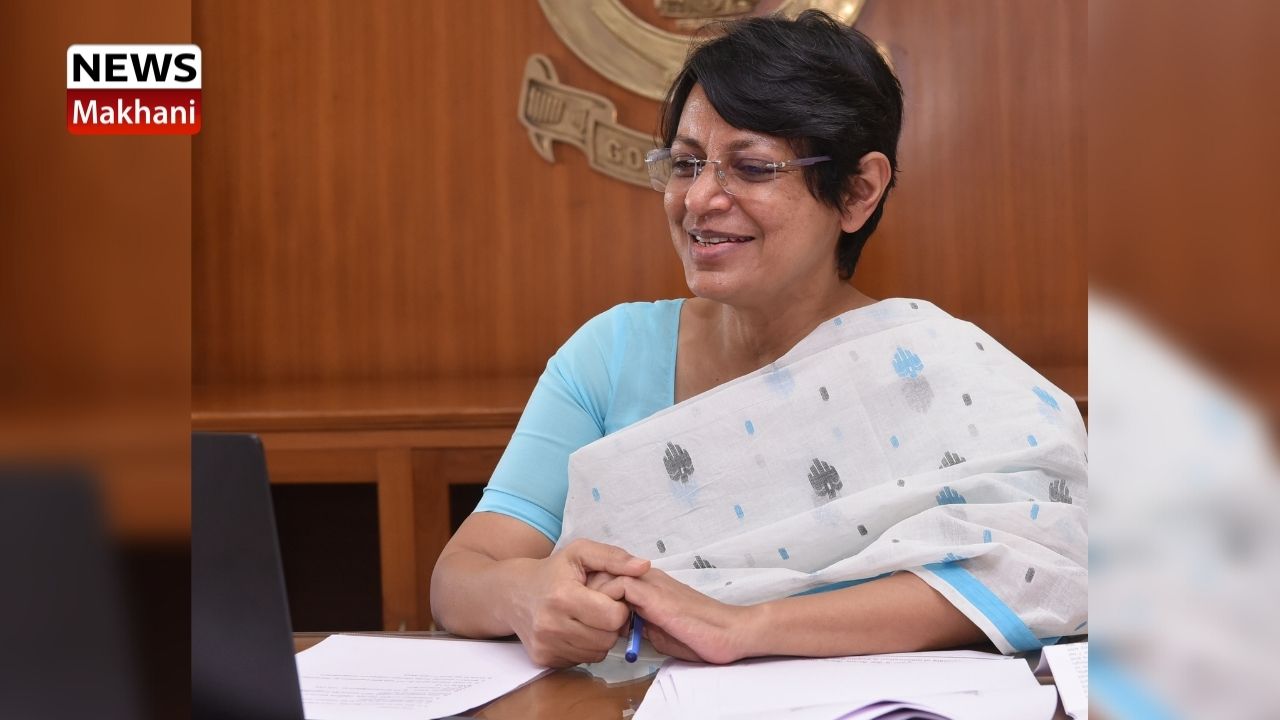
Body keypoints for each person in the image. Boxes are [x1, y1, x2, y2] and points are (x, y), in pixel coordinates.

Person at [431, 10, 1087, 669]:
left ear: (857, 192)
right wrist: (524, 594)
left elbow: (1045, 561)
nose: (699, 199)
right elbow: (460, 575)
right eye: (686, 164)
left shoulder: (930, 368)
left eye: (750, 167)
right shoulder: (611, 355)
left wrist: (745, 627)